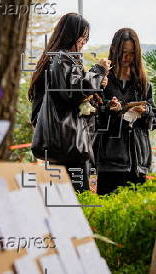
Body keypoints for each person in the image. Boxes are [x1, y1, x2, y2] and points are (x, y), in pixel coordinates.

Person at [29, 13, 111, 192]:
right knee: (77, 201)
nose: (84, 43)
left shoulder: (54, 59)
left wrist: (97, 87)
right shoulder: (62, 58)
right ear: (71, 35)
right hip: (70, 147)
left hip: (61, 146)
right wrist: (98, 70)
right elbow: (73, 92)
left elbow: (71, 96)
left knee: (63, 201)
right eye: (83, 37)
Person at [95, 28, 156, 195]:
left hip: (138, 161)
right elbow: (92, 117)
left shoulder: (143, 84)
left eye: (131, 53)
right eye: (123, 52)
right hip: (110, 161)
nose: (126, 58)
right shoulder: (103, 81)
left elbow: (155, 121)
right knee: (109, 212)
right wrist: (111, 111)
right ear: (114, 49)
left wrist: (144, 112)